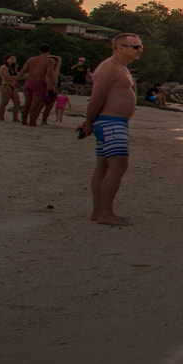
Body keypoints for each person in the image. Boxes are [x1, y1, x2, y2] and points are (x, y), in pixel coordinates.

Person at [79, 33, 146, 226]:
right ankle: (105, 213)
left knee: (104, 165)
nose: (139, 50)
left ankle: (98, 211)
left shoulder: (120, 68)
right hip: (110, 122)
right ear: (119, 48)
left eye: (140, 46)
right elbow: (96, 98)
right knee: (118, 164)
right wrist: (88, 123)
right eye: (135, 47)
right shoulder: (110, 67)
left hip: (113, 122)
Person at [20, 44, 62, 127]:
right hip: (43, 86)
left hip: (32, 83)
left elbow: (22, 71)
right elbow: (49, 75)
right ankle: (32, 121)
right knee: (36, 104)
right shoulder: (47, 64)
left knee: (33, 103)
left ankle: (31, 121)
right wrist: (54, 85)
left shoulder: (55, 68)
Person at [0, 54, 21, 121]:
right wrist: (16, 78)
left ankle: (15, 118)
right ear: (7, 59)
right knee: (4, 102)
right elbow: (8, 77)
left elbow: (18, 76)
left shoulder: (13, 68)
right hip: (6, 86)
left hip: (12, 86)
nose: (13, 60)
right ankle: (1, 117)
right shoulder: (4, 68)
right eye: (11, 58)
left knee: (17, 102)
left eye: (14, 58)